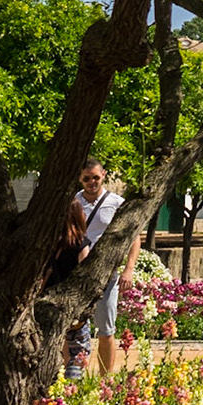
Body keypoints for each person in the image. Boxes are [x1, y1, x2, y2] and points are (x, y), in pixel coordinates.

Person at [75, 159, 139, 376]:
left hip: (107, 274)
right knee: (71, 327)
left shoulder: (117, 202)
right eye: (86, 178)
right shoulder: (73, 203)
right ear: (80, 178)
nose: (91, 182)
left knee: (106, 330)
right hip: (77, 274)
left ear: (103, 175)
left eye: (95, 177)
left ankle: (105, 379)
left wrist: (128, 269)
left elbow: (133, 236)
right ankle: (72, 376)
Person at [46, 199, 93, 381]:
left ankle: (52, 387)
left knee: (53, 348)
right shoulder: (80, 243)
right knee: (78, 353)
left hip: (50, 301)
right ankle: (71, 392)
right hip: (72, 304)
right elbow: (85, 275)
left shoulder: (50, 243)